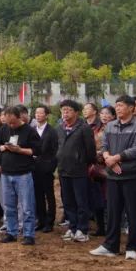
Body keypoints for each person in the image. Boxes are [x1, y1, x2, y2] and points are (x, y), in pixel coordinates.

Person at [90, 96, 136, 260]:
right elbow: (104, 146)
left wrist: (117, 158)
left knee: (132, 212)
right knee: (113, 212)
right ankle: (110, 245)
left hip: (131, 175)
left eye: (121, 105)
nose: (117, 108)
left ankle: (132, 247)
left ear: (131, 108)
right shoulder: (110, 125)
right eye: (116, 106)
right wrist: (108, 158)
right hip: (112, 175)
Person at [0, 106, 40, 245]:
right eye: (8, 122)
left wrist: (19, 150)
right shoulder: (3, 129)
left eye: (13, 122)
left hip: (23, 173)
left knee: (27, 206)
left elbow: (37, 150)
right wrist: (2, 148)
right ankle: (11, 232)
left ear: (19, 117)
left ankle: (28, 234)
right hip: (6, 173)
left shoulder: (29, 131)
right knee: (8, 205)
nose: (11, 125)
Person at [56, 99, 96, 244]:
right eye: (63, 110)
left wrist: (88, 163)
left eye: (68, 110)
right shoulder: (60, 128)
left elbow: (90, 149)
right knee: (68, 201)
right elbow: (58, 146)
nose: (65, 113)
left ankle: (82, 229)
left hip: (79, 170)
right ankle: (72, 227)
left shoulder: (83, 128)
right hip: (63, 169)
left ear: (76, 112)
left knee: (81, 201)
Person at [30, 105, 59, 233]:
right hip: (33, 168)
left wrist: (51, 167)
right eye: (36, 113)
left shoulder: (52, 131)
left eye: (41, 113)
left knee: (49, 195)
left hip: (46, 168)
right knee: (37, 195)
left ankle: (50, 221)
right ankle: (40, 220)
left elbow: (55, 151)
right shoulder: (32, 130)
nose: (38, 115)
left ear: (46, 115)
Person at [88, 105, 114, 236]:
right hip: (96, 167)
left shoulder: (116, 129)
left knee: (109, 199)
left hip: (111, 167)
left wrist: (104, 153)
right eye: (102, 113)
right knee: (97, 199)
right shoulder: (94, 129)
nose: (104, 116)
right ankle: (100, 227)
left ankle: (112, 226)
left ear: (113, 116)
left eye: (108, 114)